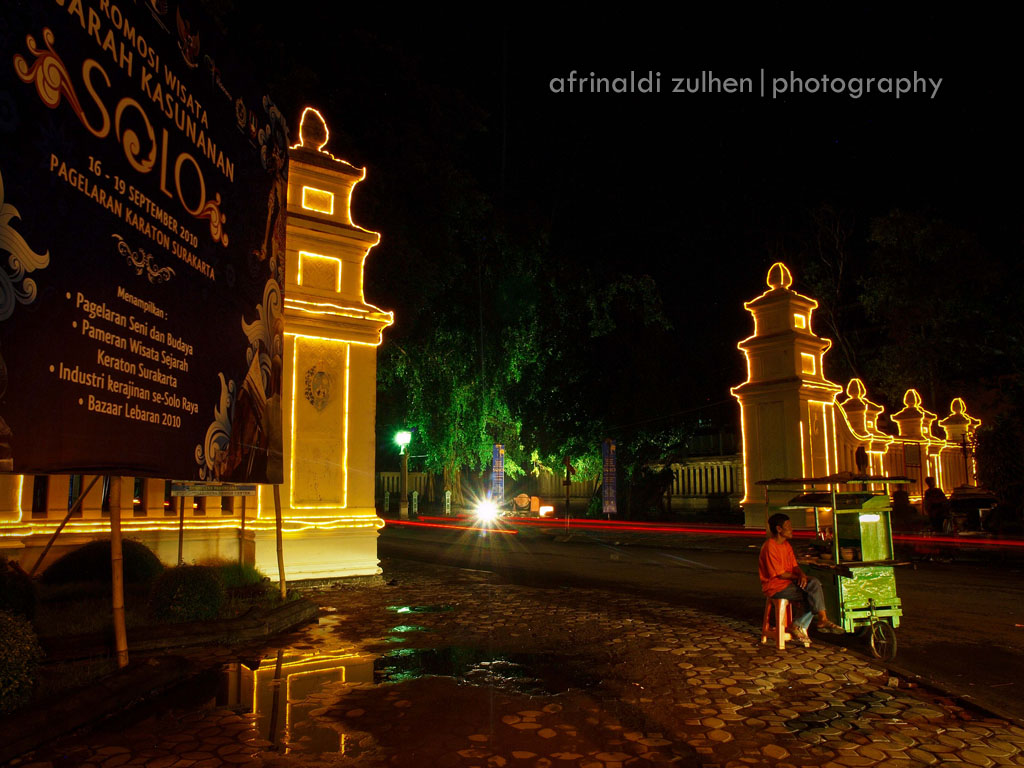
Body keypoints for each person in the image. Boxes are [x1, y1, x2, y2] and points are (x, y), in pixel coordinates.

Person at [759, 513, 845, 642]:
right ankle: (807, 623)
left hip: (788, 584)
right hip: (775, 587)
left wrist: (802, 575)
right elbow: (781, 574)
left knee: (814, 587)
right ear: (779, 529)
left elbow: (795, 566)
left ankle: (814, 621)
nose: (792, 529)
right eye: (788, 526)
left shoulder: (786, 546)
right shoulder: (770, 547)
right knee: (813, 592)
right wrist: (798, 577)